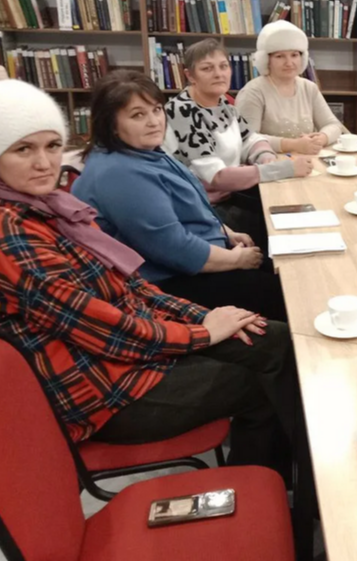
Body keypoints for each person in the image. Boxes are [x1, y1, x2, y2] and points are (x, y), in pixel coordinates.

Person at [0, 80, 298, 479]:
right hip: (108, 392)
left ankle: (282, 478)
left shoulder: (50, 208)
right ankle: (267, 488)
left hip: (131, 352)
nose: (44, 163)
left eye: (52, 146)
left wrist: (203, 317)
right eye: (23, 149)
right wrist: (203, 333)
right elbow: (103, 328)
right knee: (266, 377)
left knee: (275, 338)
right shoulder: (13, 237)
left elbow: (131, 286)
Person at [73, 69, 288, 321]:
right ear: (110, 124)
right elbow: (172, 248)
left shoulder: (144, 151)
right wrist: (235, 259)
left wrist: (225, 232)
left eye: (156, 109)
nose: (154, 121)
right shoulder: (119, 173)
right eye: (138, 115)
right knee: (289, 296)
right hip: (171, 282)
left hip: (201, 258)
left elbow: (191, 205)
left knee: (288, 269)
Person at [163, 38, 313, 249]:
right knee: (280, 232)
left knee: (295, 209)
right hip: (202, 209)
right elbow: (217, 177)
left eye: (223, 66)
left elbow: (250, 139)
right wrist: (283, 169)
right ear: (190, 76)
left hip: (229, 195)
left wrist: (266, 157)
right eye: (207, 68)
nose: (219, 74)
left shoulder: (222, 102)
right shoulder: (182, 111)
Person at [236, 20, 345, 155]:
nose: (289, 63)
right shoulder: (253, 92)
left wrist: (321, 138)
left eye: (294, 55)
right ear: (267, 60)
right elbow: (247, 139)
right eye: (280, 56)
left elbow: (333, 125)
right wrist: (293, 145)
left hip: (309, 160)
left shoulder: (309, 88)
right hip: (270, 163)